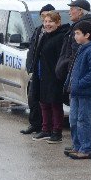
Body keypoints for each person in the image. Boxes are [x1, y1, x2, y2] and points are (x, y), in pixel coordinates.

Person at [56, 0, 91, 150]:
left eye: (72, 9)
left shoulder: (88, 29)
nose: (69, 12)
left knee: (84, 116)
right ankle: (81, 144)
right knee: (79, 115)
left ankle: (86, 145)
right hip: (78, 77)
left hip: (83, 79)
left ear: (80, 11)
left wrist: (75, 70)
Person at [64, 22, 91, 160]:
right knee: (73, 119)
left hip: (85, 92)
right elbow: (74, 68)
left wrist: (80, 84)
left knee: (83, 120)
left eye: (77, 33)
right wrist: (69, 83)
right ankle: (77, 146)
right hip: (76, 91)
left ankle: (85, 149)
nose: (75, 36)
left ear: (87, 35)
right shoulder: (82, 47)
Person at [31, 11, 70, 144]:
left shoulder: (61, 37)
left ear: (58, 23)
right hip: (43, 76)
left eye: (50, 22)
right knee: (44, 103)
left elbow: (62, 59)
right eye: (45, 22)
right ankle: (45, 129)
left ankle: (56, 132)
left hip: (55, 77)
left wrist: (58, 75)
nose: (47, 24)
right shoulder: (45, 36)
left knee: (55, 104)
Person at [21, 3, 55, 135]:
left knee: (47, 101)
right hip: (37, 70)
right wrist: (30, 65)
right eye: (43, 15)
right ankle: (35, 124)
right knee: (33, 98)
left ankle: (49, 127)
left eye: (48, 15)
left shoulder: (54, 32)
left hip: (48, 72)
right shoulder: (38, 30)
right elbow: (32, 48)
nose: (45, 18)